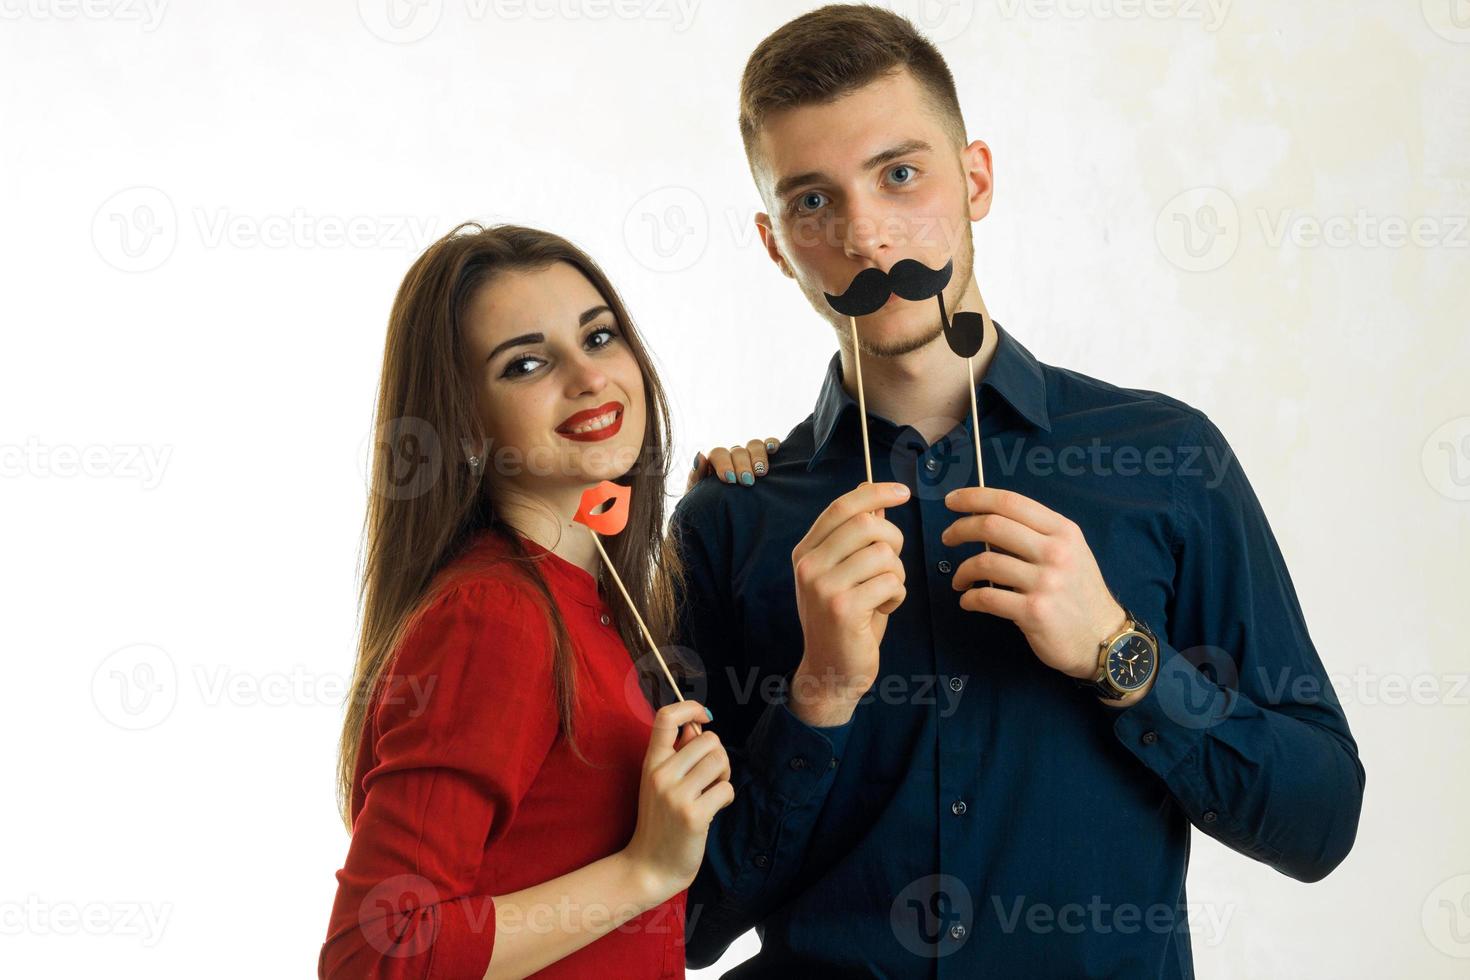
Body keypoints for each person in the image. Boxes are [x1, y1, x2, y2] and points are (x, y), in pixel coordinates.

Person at [674, 6, 1365, 976]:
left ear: (976, 179)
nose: (867, 235)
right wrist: (818, 694)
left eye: (900, 174)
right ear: (773, 241)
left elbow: (1321, 819)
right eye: (813, 203)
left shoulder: (1167, 456)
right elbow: (682, 921)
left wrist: (1121, 653)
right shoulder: (729, 516)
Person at [319, 223, 733, 979]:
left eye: (600, 337)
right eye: (528, 363)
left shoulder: (592, 600)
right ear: (464, 418)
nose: (588, 377)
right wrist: (643, 870)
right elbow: (372, 953)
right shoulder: (494, 616)